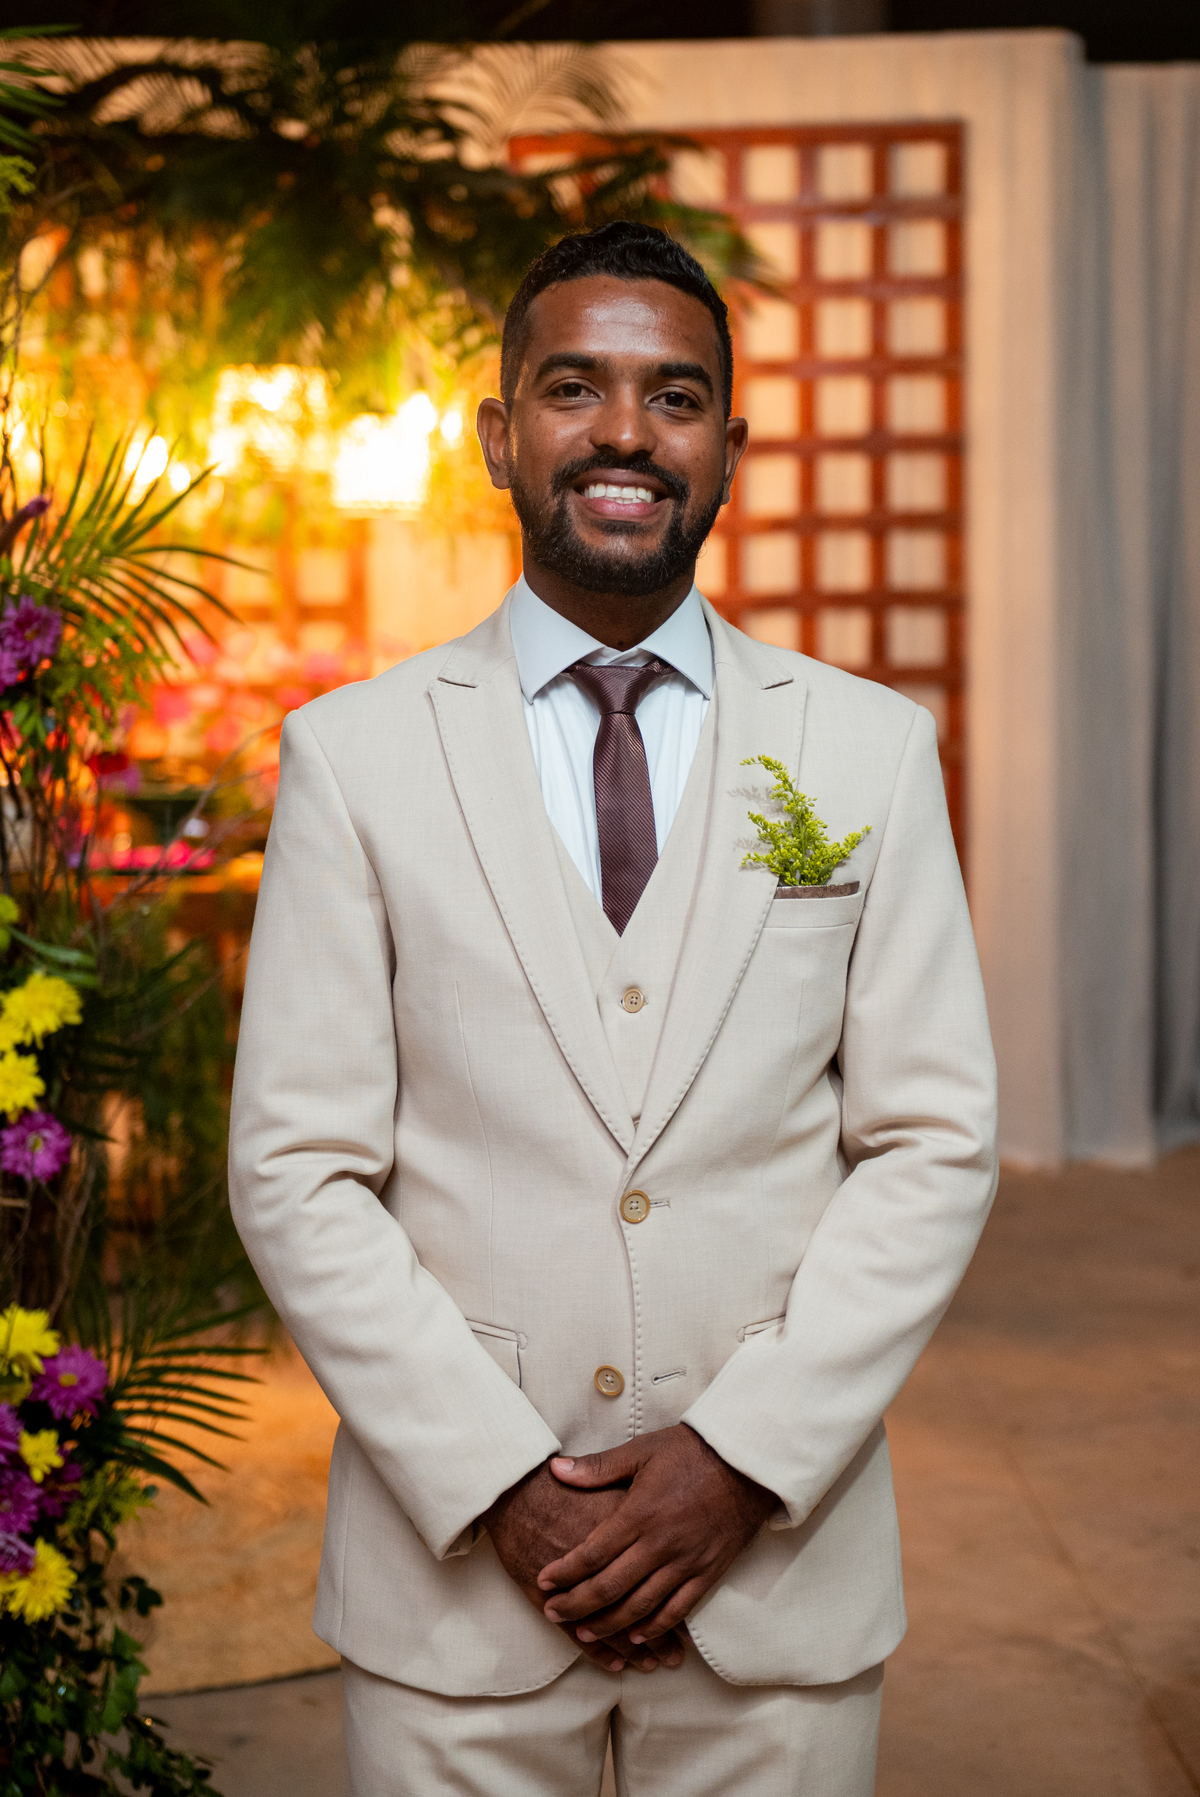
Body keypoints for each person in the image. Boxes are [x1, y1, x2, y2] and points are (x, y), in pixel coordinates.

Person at [229, 220, 997, 1796]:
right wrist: (502, 1478)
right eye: (575, 387)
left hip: (775, 1582)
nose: (627, 432)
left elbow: (931, 1141)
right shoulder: (354, 757)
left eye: (676, 395)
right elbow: (297, 1170)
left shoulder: (866, 751)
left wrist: (740, 1461)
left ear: (727, 449)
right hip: (456, 1593)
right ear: (501, 434)